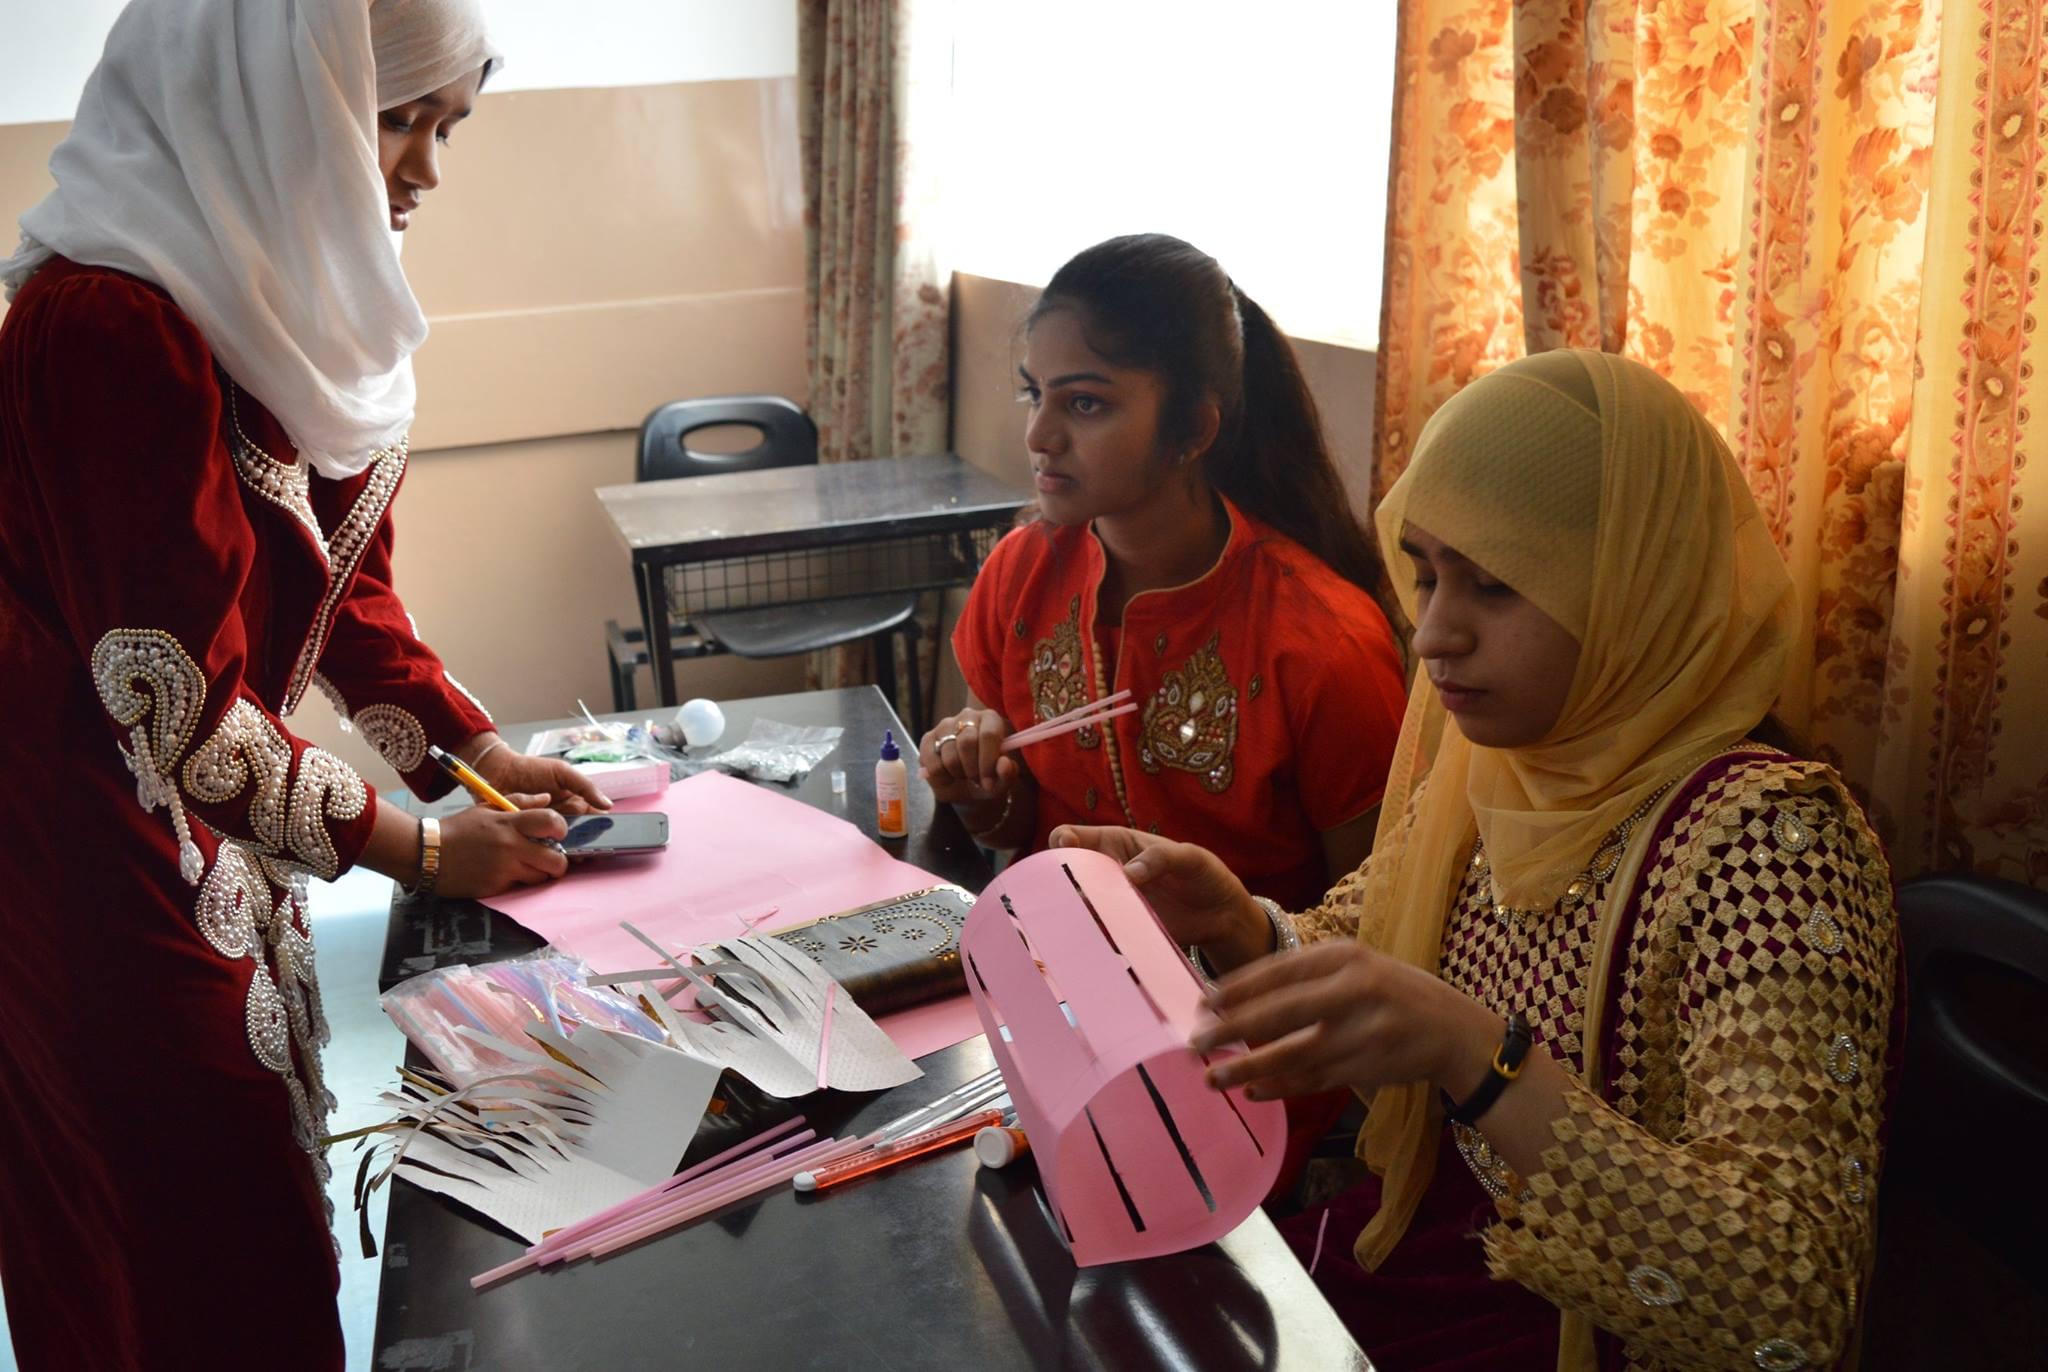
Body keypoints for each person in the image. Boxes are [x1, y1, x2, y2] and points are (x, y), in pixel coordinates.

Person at [1056, 350, 1898, 1371]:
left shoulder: (1769, 847)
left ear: (1630, 592)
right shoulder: (1500, 770)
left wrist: (1480, 1062)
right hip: (1432, 1274)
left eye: (1493, 587)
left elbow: (1786, 1299)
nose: (1433, 635)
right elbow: (1359, 941)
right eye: (1423, 575)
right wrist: (1239, 924)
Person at [0, 3, 607, 1365]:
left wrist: (476, 757)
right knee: (182, 1207)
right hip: (82, 845)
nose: (425, 171)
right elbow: (176, 708)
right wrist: (428, 849)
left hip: (206, 816)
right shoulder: (106, 320)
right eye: (398, 119)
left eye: (444, 128)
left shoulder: (298, 301)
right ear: (276, 95)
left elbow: (348, 598)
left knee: (244, 1206)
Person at [927, 233, 1408, 913]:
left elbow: (1368, 919)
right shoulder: (1022, 570)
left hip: (1246, 1004)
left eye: (1085, 403)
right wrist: (982, 793)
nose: (1040, 434)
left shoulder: (1326, 642)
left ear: (1194, 429)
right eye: (1034, 393)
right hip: (1052, 959)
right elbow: (1011, 826)